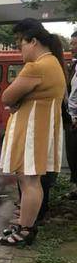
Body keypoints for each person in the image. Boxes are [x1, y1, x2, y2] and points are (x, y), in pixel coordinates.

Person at [0, 19, 66, 246]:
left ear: (33, 41)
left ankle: (26, 229)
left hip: (33, 131)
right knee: (29, 180)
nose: (20, 51)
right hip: (40, 128)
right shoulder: (54, 63)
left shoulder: (37, 66)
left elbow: (7, 97)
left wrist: (16, 101)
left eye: (20, 44)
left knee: (29, 181)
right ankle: (24, 225)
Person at [63, 30, 77, 198]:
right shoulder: (73, 65)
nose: (72, 47)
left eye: (75, 44)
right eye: (72, 43)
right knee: (72, 155)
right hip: (71, 118)